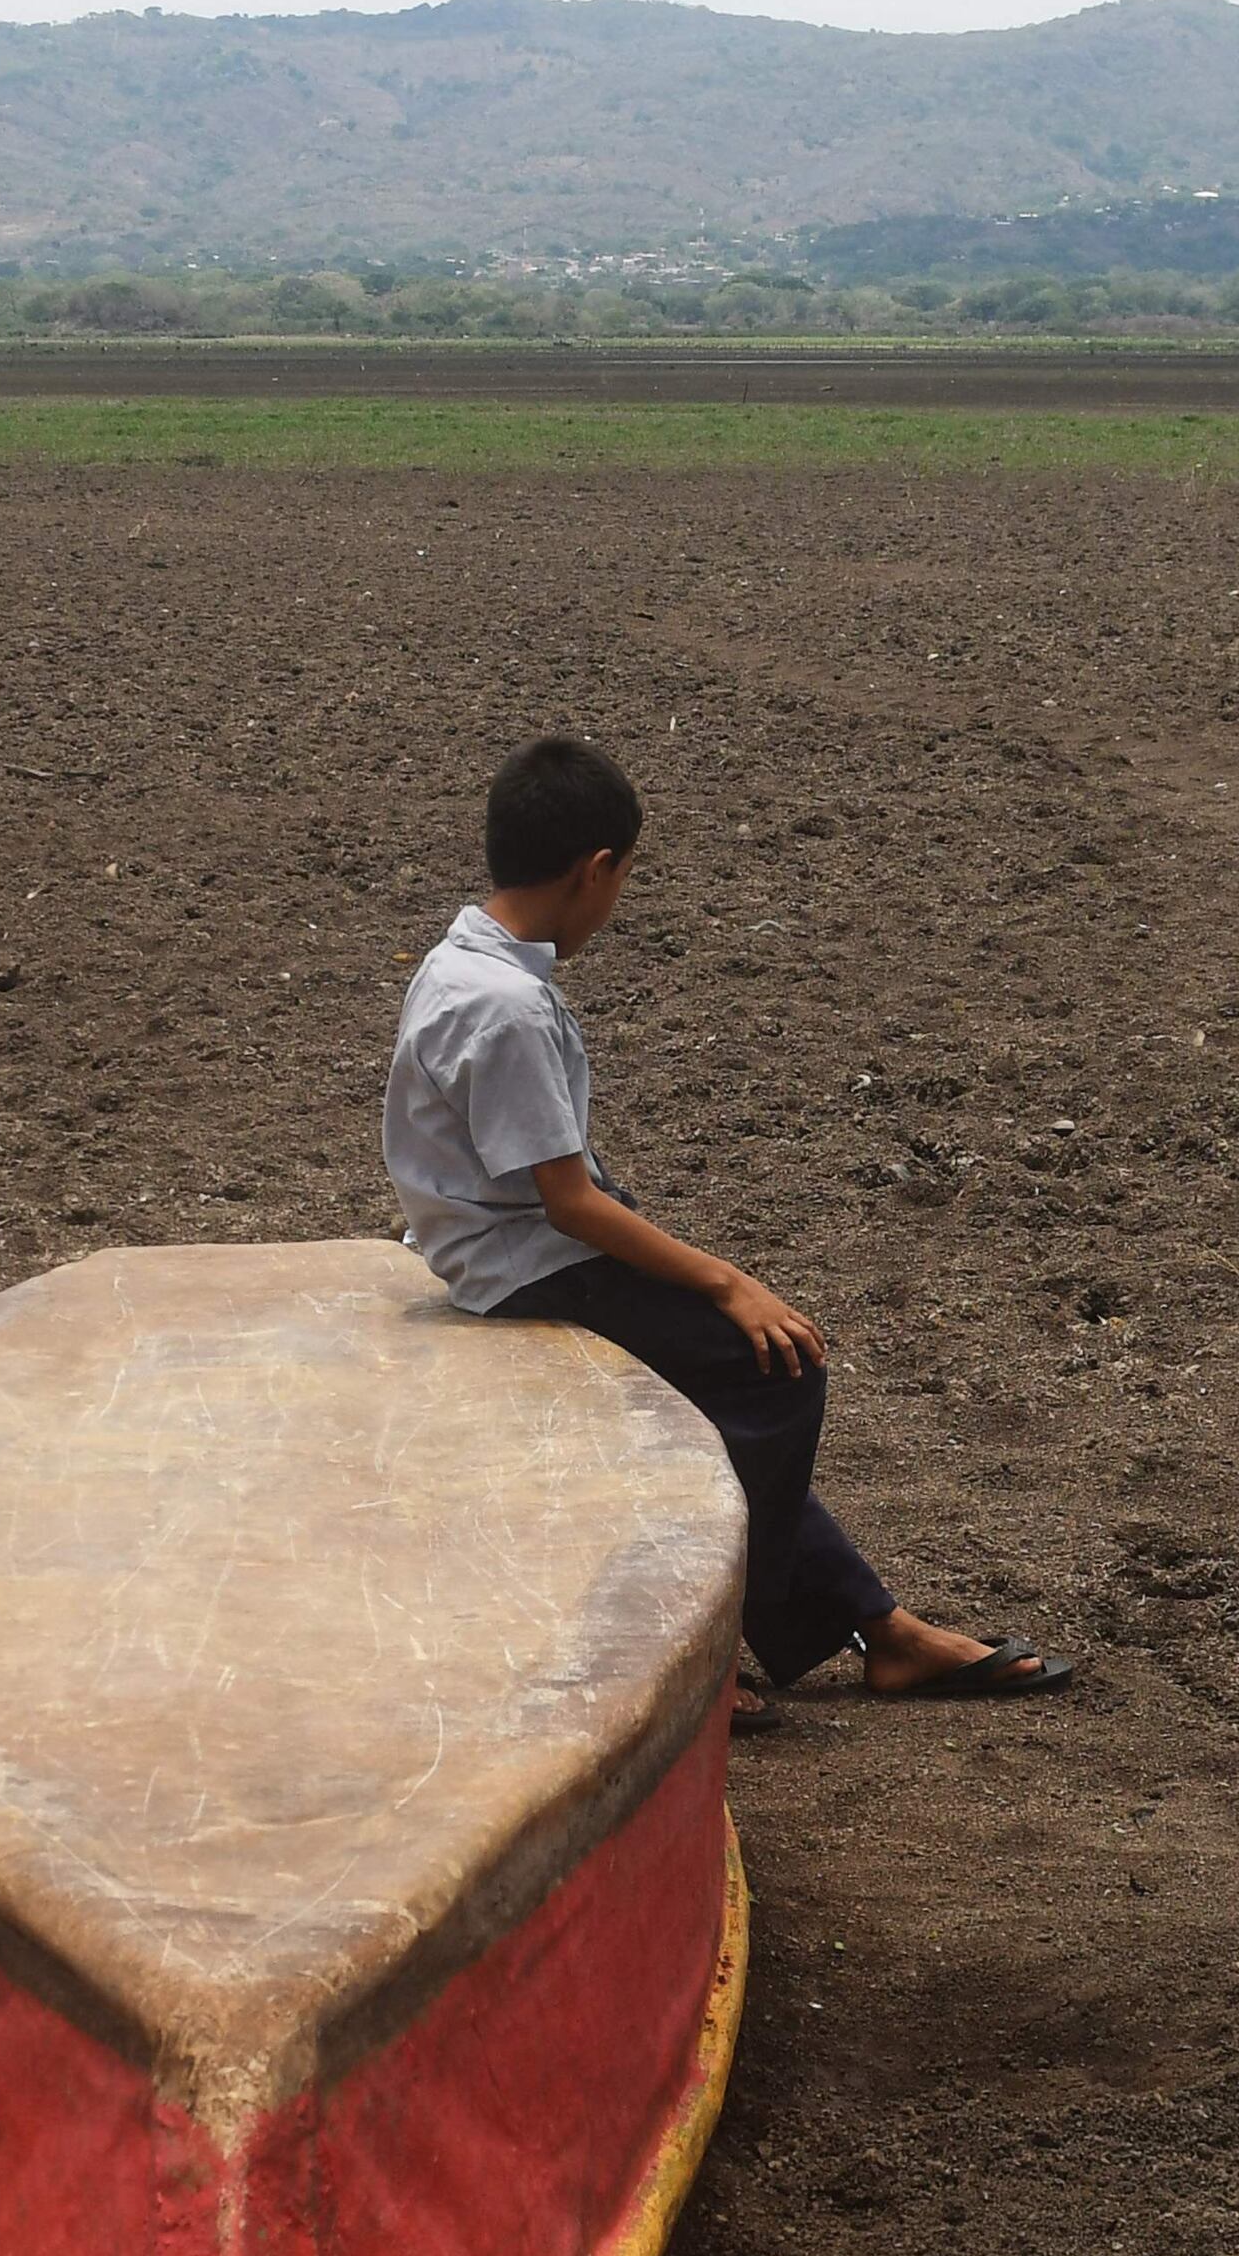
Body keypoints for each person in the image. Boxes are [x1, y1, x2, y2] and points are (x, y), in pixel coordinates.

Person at [384, 735, 1079, 1732]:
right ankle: (697, 1642)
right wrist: (724, 1281)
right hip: (523, 1270)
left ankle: (881, 1631)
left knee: (734, 1395)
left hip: (488, 1248)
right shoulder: (508, 1010)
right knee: (776, 1369)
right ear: (597, 871)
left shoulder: (459, 964)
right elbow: (569, 1206)